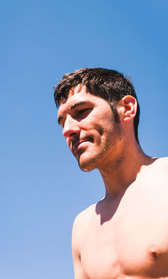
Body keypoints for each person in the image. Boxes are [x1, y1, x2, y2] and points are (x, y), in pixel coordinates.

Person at [54, 68, 168, 279]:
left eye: (81, 112)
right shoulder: (83, 226)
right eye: (62, 121)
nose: (67, 130)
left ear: (126, 109)